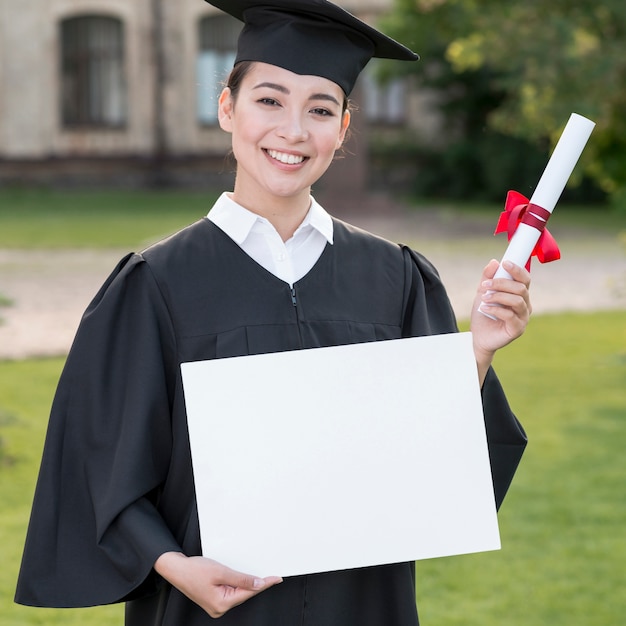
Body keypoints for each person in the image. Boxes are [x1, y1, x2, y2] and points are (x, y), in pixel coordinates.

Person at [15, 1, 530, 624]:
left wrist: (474, 353)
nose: (293, 130)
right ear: (227, 108)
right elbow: (100, 462)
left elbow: (436, 460)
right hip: (208, 606)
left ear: (342, 129)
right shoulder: (156, 284)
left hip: (362, 603)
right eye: (269, 100)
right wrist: (176, 569)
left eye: (319, 109)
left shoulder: (394, 277)